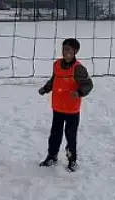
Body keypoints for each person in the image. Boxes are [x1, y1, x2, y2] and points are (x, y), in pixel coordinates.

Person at [38, 38, 94, 172]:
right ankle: (52, 156)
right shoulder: (57, 64)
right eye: (64, 49)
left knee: (70, 136)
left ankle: (72, 160)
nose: (65, 52)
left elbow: (88, 84)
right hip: (57, 107)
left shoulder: (78, 68)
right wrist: (46, 89)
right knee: (55, 135)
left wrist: (79, 92)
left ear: (75, 52)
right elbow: (53, 80)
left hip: (71, 110)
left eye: (68, 50)